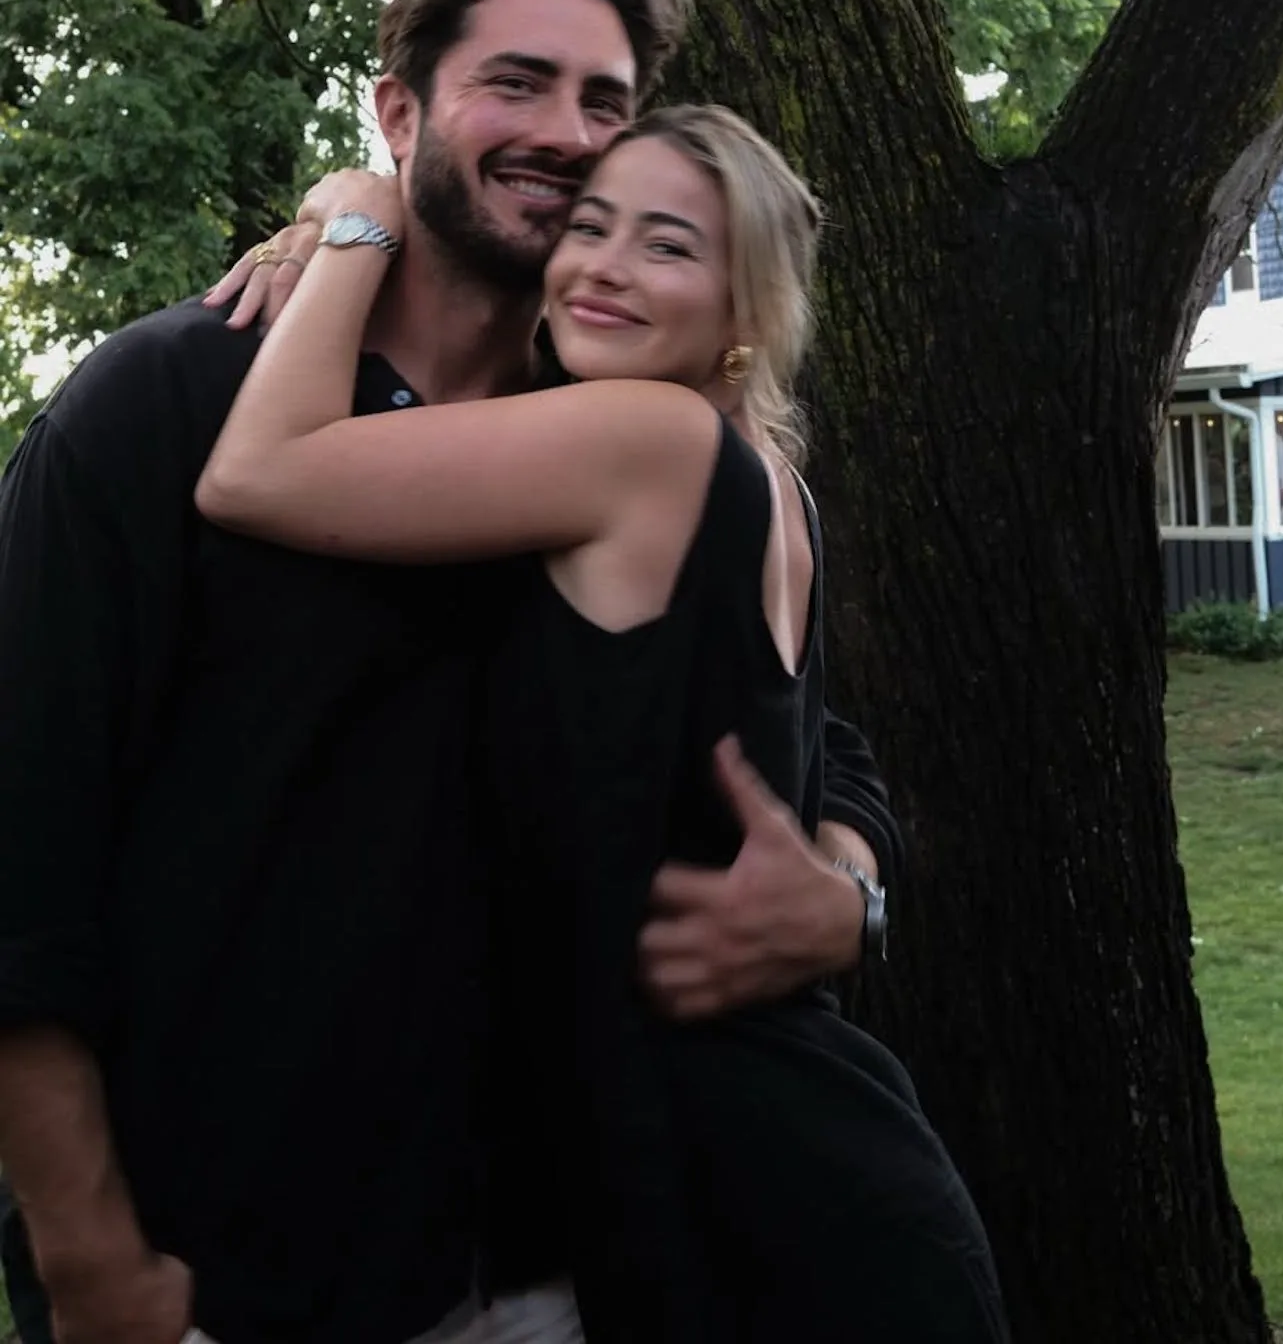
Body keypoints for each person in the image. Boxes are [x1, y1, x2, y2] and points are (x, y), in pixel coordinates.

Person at [0, 0, 900, 1344]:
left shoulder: (601, 434)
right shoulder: (164, 402)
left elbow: (806, 736)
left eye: (605, 100)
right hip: (224, 1272)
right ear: (399, 112)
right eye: (516, 82)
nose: (566, 131)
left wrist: (848, 890)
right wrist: (85, 1255)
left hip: (557, 1264)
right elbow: (21, 850)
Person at [196, 104, 1009, 1344]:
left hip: (763, 1214)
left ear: (746, 307)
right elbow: (827, 750)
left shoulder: (652, 440)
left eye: (667, 244)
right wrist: (854, 884)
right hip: (743, 1175)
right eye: (589, 225)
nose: (602, 267)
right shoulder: (763, 477)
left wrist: (358, 212)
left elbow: (256, 469)